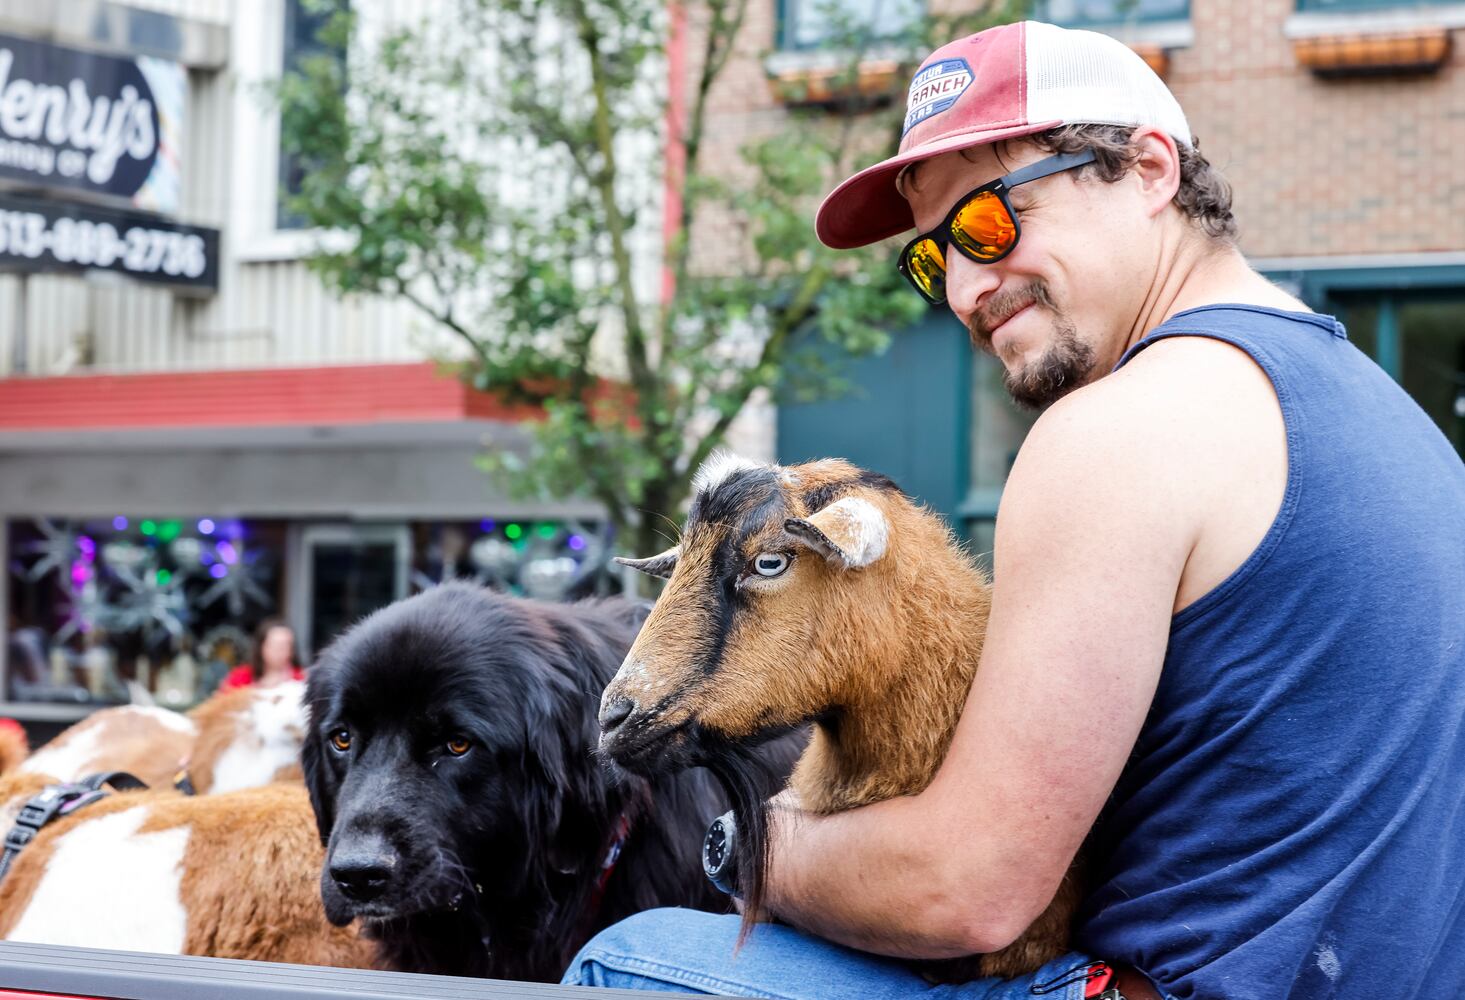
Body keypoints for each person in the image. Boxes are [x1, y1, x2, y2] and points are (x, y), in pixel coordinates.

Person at [562, 20, 1465, 1000]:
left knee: (629, 955)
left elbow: (968, 886)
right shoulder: (1384, 414)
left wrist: (741, 844)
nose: (960, 287)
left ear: (1148, 168)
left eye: (989, 222)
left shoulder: (1117, 432)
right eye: (928, 259)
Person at [219, 617, 304, 691]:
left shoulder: (301, 679)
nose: (281, 651)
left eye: (286, 645)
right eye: (275, 645)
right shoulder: (239, 679)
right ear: (261, 647)